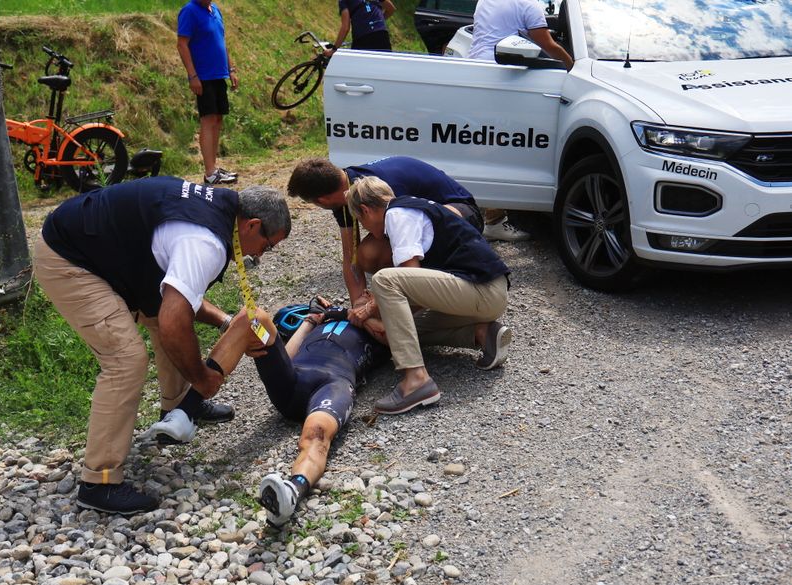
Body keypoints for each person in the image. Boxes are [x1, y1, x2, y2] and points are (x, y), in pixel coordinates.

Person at [34, 176, 290, 514]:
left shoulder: (220, 209)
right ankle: (100, 482)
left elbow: (178, 300)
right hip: (70, 259)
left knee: (160, 313)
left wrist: (228, 323)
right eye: (267, 246)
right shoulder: (206, 243)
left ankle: (179, 408)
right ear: (252, 225)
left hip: (104, 248)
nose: (261, 255)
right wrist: (203, 378)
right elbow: (175, 320)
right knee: (126, 360)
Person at [144, 299, 389, 527]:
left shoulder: (380, 327)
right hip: (292, 381)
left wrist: (352, 314)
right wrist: (312, 320)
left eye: (372, 297)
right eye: (366, 294)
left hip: (334, 385)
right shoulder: (323, 320)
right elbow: (288, 354)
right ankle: (185, 412)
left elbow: (389, 336)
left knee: (316, 435)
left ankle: (293, 490)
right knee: (254, 317)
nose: (367, 297)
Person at [346, 176, 513, 414]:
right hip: (484, 293)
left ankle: (416, 381)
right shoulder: (412, 206)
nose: (368, 232)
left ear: (365, 210)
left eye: (362, 223)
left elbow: (408, 278)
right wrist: (387, 323)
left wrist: (369, 310)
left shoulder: (397, 215)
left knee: (385, 279)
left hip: (481, 291)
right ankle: (483, 333)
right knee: (405, 331)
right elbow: (414, 296)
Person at [287, 156, 523, 321]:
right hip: (425, 222)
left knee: (403, 251)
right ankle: (410, 298)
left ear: (322, 201)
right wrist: (357, 304)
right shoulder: (344, 189)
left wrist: (377, 306)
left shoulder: (379, 184)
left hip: (461, 212)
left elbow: (419, 227)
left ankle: (433, 294)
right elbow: (351, 257)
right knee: (369, 254)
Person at [177, 0, 239, 185]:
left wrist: (232, 69)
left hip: (219, 74)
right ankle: (210, 171)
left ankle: (214, 168)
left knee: (218, 119)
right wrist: (192, 75)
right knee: (208, 119)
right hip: (203, 76)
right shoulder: (189, 11)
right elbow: (182, 44)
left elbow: (221, 41)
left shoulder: (215, 10)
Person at [468, 0, 574, 70]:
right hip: (500, 70)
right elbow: (548, 47)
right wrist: (572, 68)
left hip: (473, 64)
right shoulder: (528, 4)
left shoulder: (484, 1)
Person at [325, 0, 396, 57]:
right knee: (383, 70)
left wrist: (333, 49)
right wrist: (378, 22)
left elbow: (345, 27)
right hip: (382, 35)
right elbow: (391, 9)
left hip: (362, 38)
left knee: (356, 70)